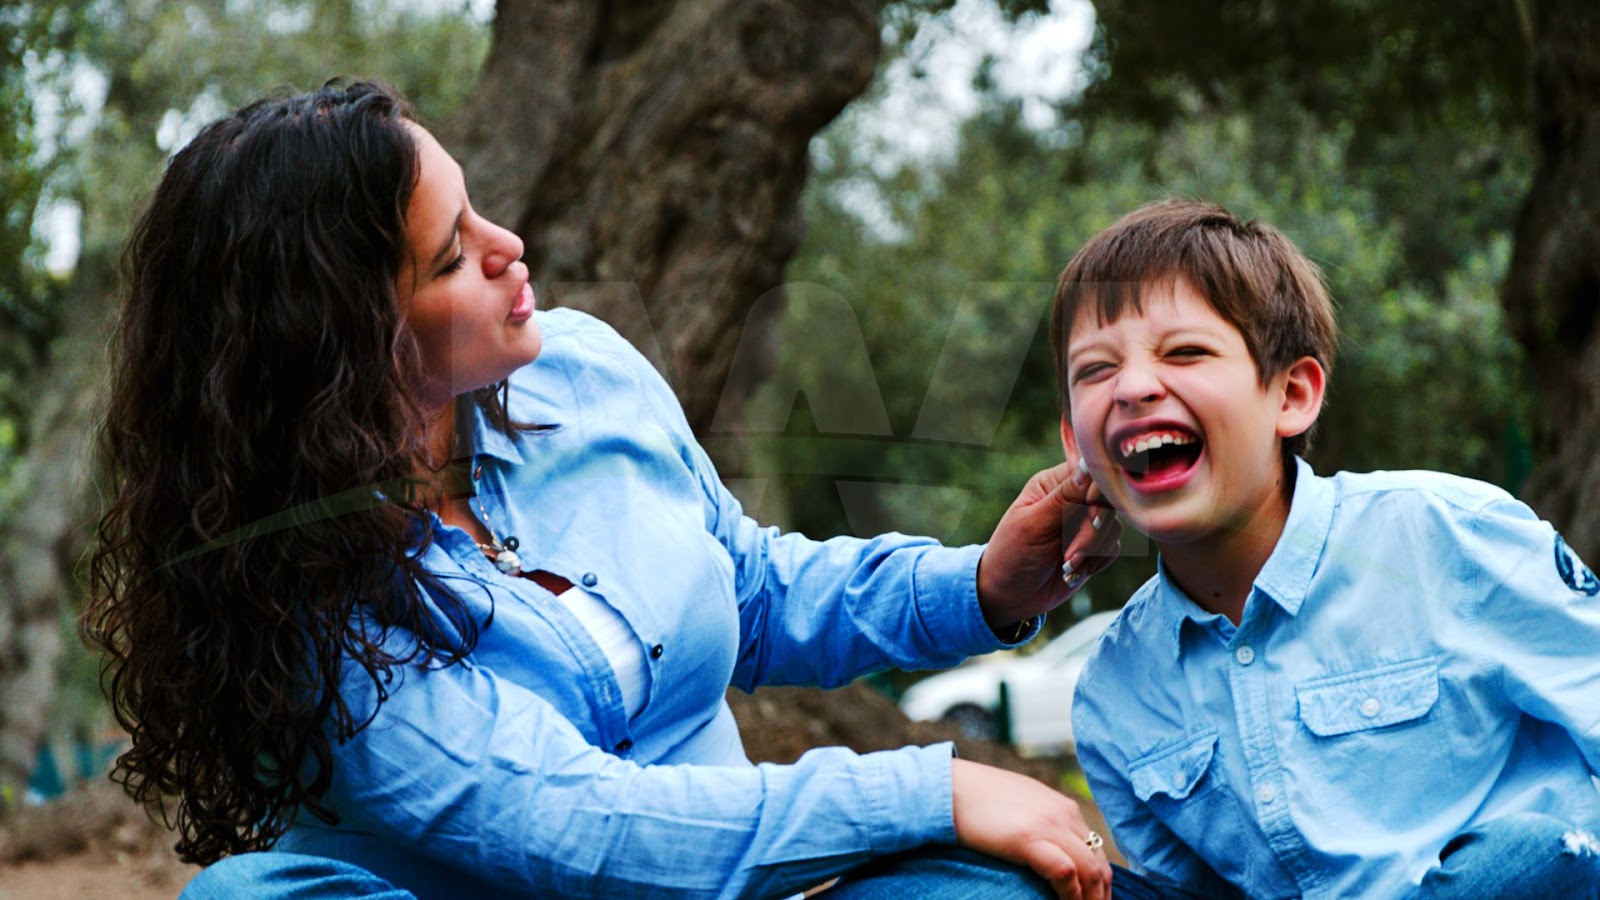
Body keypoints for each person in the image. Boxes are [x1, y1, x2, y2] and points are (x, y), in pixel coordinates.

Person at [83, 79, 1167, 900]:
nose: (511, 251)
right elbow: (579, 830)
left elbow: (748, 592)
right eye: (453, 257)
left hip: (741, 881)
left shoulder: (581, 372)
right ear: (342, 338)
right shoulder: (303, 602)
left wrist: (982, 585)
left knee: (986, 887)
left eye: (481, 213)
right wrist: (926, 787)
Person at [1050, 199, 1600, 899]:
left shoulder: (1447, 534)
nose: (1131, 388)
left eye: (1185, 351)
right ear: (1076, 444)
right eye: (1094, 371)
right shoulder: (1114, 694)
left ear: (1293, 395)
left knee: (1529, 854)